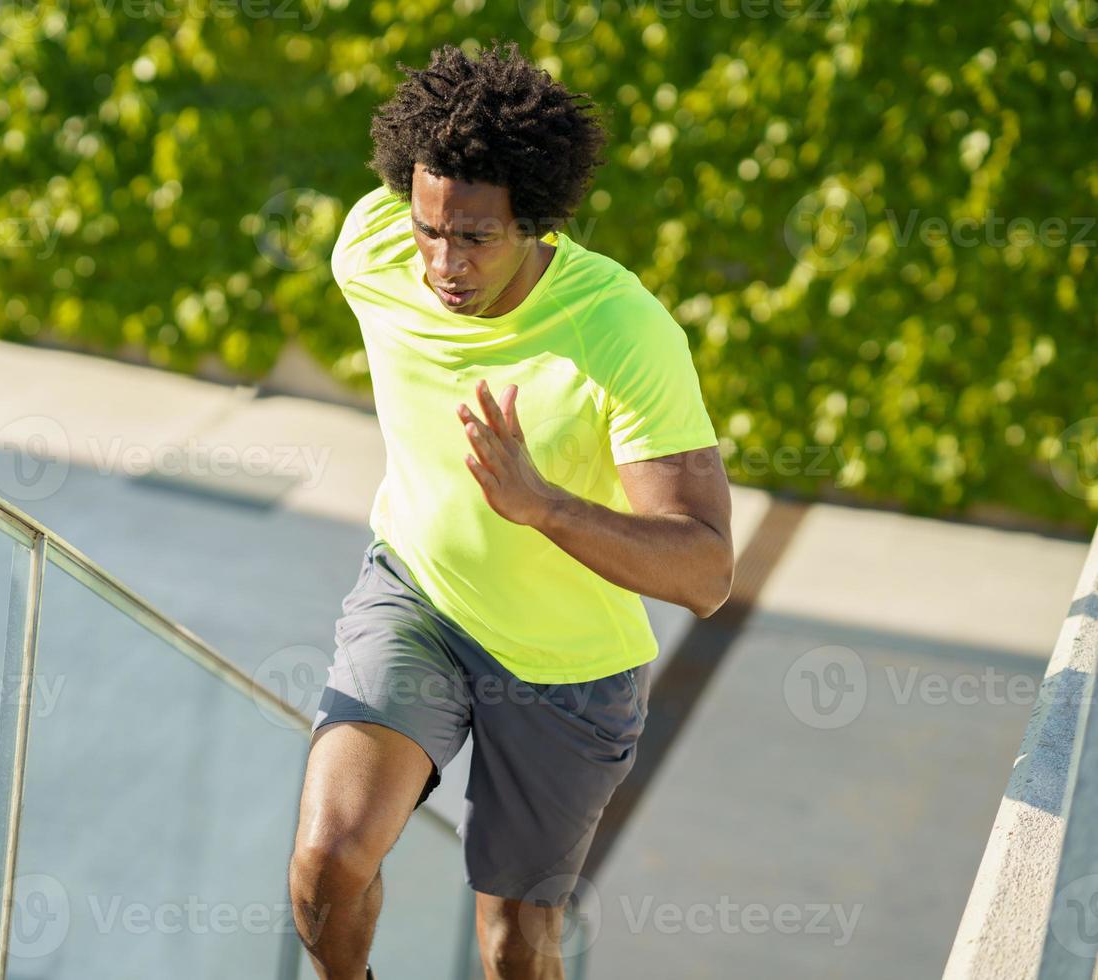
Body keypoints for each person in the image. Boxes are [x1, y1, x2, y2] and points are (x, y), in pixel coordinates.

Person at [288, 40, 733, 980]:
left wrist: (544, 506)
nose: (443, 263)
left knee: (513, 947)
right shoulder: (371, 247)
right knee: (329, 861)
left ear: (536, 223)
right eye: (429, 229)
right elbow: (401, 246)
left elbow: (705, 572)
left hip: (571, 672)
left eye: (475, 238)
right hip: (418, 601)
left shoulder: (622, 332)